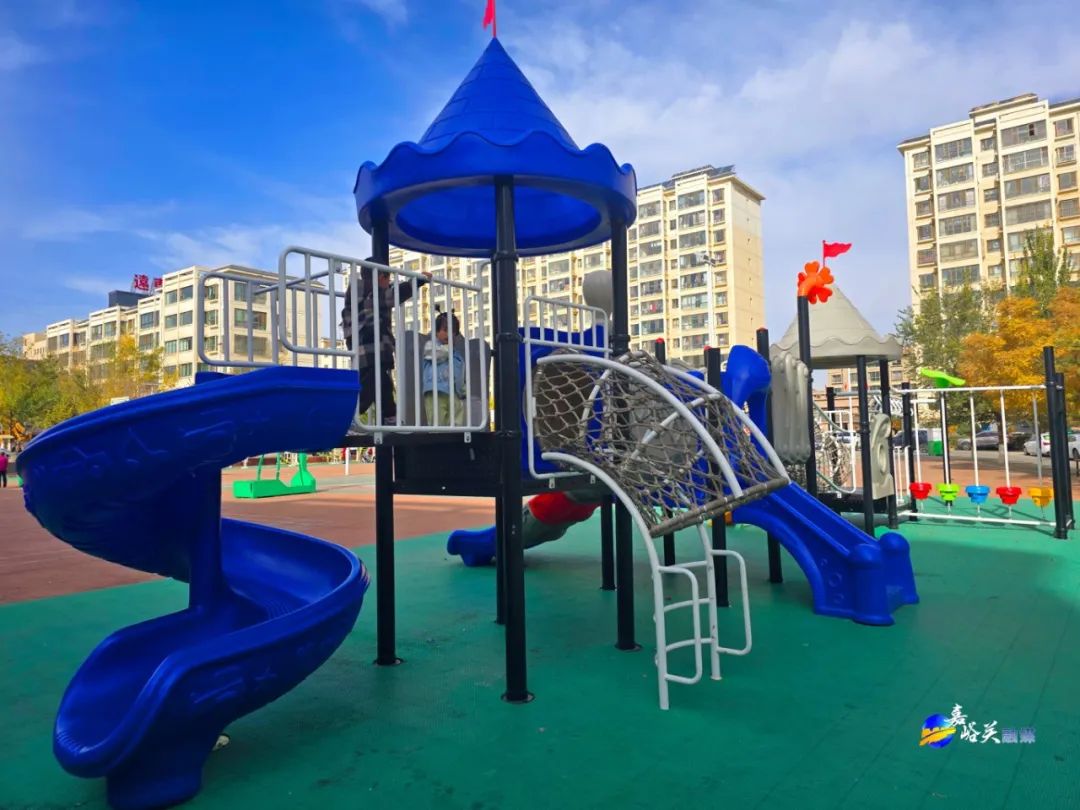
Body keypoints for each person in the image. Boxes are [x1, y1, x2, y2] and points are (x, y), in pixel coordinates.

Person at [341, 259, 431, 427]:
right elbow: (393, 295)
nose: (388, 284)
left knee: (382, 384)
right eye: (387, 279)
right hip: (370, 347)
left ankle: (390, 416)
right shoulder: (366, 291)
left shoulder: (363, 291)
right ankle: (348, 415)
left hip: (369, 347)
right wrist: (416, 282)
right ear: (380, 277)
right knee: (369, 385)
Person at [421, 312, 468, 425]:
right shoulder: (431, 346)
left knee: (457, 418)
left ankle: (456, 433)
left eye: (453, 332)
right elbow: (436, 355)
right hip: (436, 391)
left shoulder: (457, 357)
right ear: (436, 332)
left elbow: (460, 375)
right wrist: (448, 349)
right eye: (445, 330)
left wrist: (463, 391)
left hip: (454, 393)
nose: (449, 334)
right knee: (437, 421)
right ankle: (438, 434)